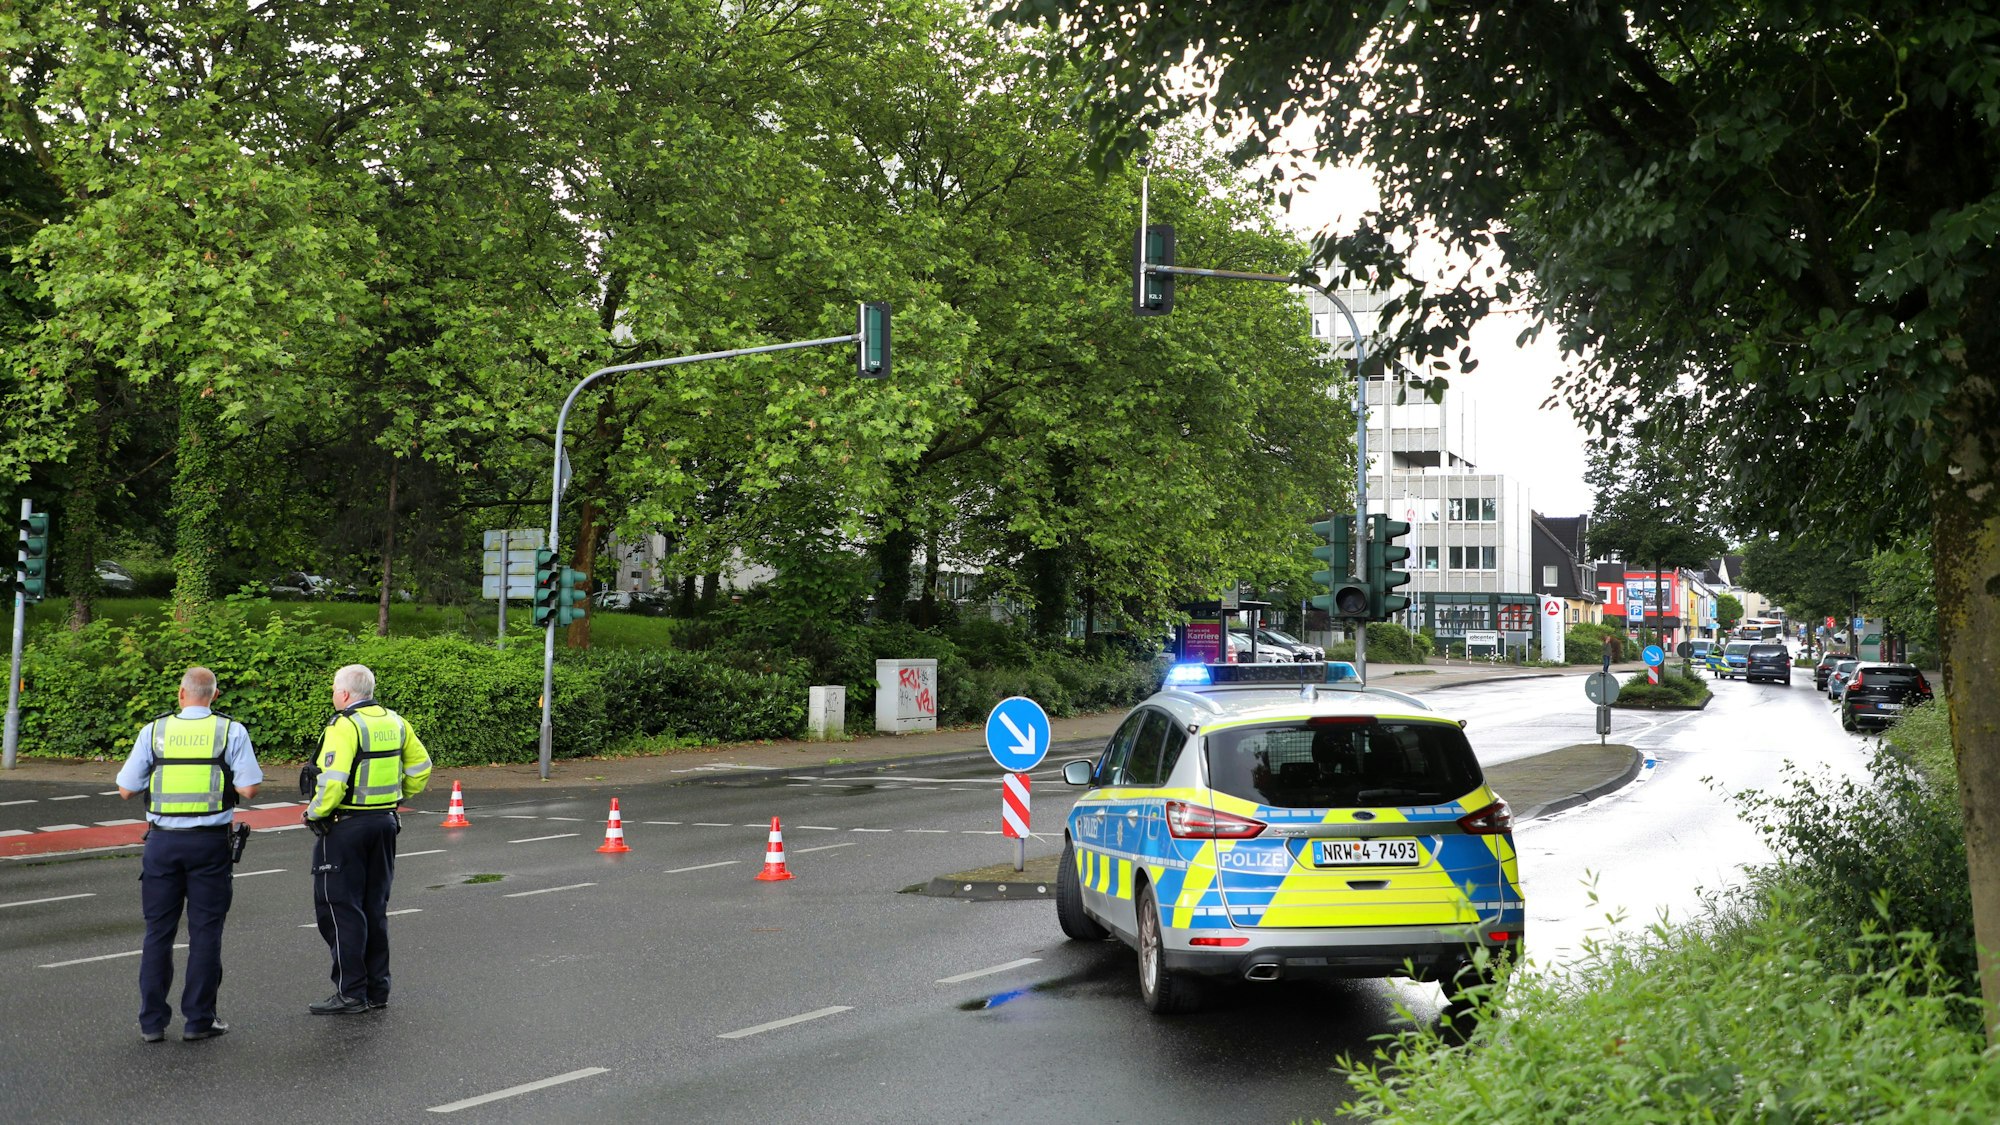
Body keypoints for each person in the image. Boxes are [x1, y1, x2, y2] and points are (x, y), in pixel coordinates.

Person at [116, 666, 262, 1043]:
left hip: (162, 844)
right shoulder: (230, 731)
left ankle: (152, 1023)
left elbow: (126, 789)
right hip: (210, 845)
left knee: (158, 934)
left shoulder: (155, 731)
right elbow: (248, 789)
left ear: (180, 694)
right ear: (214, 696)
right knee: (205, 933)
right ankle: (199, 1019)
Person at [303, 663, 432, 1014]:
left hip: (346, 826)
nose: (333, 694)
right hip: (385, 823)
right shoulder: (394, 720)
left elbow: (332, 780)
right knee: (374, 908)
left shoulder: (344, 726)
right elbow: (422, 766)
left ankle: (351, 992)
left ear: (344, 694)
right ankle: (378, 990)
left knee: (341, 910)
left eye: (333, 688)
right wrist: (397, 796)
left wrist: (314, 813)